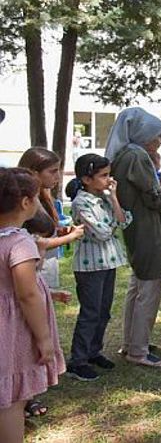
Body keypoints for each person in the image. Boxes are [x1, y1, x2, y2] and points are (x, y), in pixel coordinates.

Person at [0, 168, 65, 443]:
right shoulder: (20, 242)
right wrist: (44, 339)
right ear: (26, 202)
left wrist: (49, 293)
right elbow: (26, 294)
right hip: (11, 332)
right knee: (12, 398)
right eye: (37, 197)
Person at [106, 107, 161, 367]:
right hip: (147, 227)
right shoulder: (137, 156)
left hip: (135, 227)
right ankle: (139, 350)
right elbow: (154, 197)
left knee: (137, 285)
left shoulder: (123, 154)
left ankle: (131, 342)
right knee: (150, 288)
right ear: (143, 134)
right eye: (158, 135)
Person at [63, 154, 132, 381]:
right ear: (86, 179)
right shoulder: (81, 202)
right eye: (103, 175)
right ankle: (78, 360)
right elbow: (101, 233)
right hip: (90, 266)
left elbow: (124, 221)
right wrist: (113, 224)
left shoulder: (105, 197)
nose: (108, 179)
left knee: (103, 311)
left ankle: (93, 351)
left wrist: (114, 199)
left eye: (108, 174)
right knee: (90, 312)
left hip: (108, 261)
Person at [18, 147, 86, 289]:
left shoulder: (43, 197)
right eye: (52, 171)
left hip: (47, 262)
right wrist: (71, 237)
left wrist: (58, 231)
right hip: (31, 267)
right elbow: (35, 241)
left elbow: (42, 232)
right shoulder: (24, 203)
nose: (58, 176)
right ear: (34, 173)